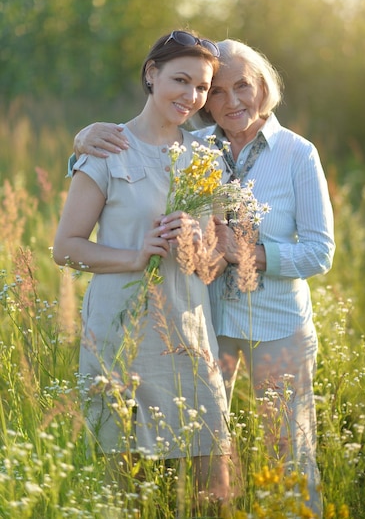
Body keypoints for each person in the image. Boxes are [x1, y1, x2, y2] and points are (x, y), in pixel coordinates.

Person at [72, 38, 336, 518]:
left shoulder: (297, 153)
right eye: (216, 92)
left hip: (276, 326)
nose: (229, 101)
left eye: (243, 87)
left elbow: (320, 252)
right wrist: (82, 139)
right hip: (206, 326)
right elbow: (136, 149)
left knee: (289, 455)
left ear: (264, 88)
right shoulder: (195, 146)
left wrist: (246, 252)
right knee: (209, 457)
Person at [54, 30, 232, 517]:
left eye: (202, 87)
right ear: (151, 74)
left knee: (213, 490)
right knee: (125, 491)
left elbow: (216, 266)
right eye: (180, 80)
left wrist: (199, 246)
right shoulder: (106, 146)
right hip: (120, 334)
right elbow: (65, 248)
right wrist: (136, 255)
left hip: (188, 333)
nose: (191, 97)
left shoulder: (207, 158)